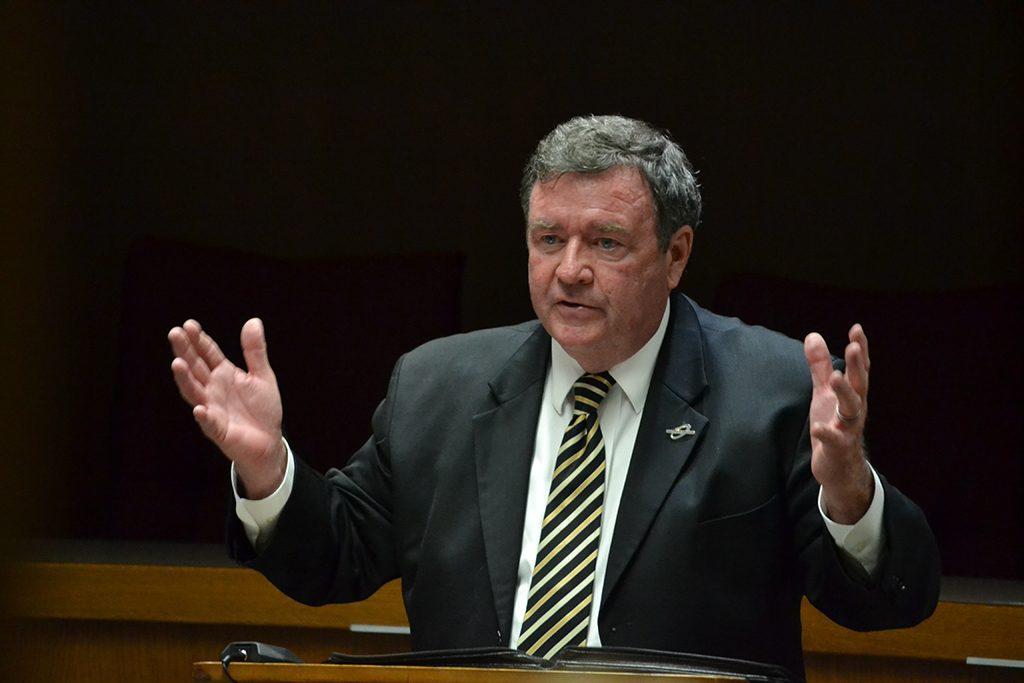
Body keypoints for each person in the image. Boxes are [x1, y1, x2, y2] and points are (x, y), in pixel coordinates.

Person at [168, 115, 940, 678]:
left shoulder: (770, 391)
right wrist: (271, 472)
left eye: (605, 243)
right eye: (548, 239)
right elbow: (333, 559)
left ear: (675, 255)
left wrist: (849, 498)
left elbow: (887, 603)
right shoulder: (438, 386)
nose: (569, 269)